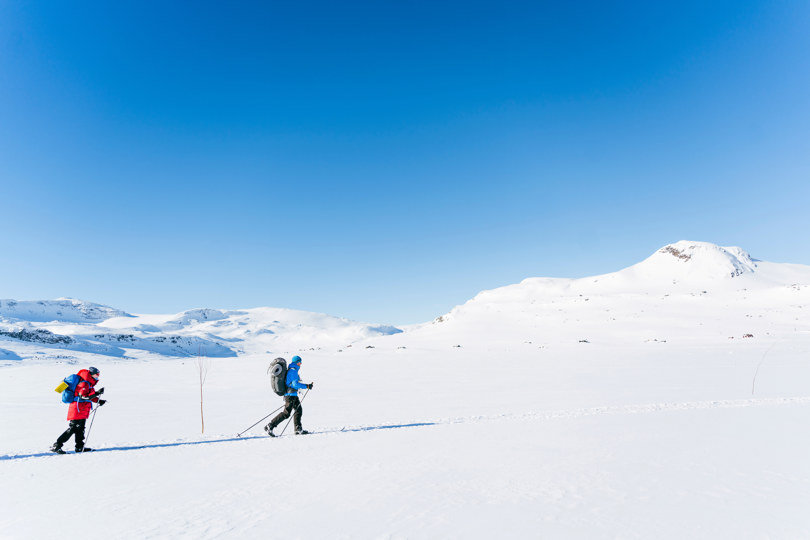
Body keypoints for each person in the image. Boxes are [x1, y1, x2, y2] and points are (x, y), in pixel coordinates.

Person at [51, 366, 106, 453]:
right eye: (96, 375)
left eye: (98, 375)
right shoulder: (84, 384)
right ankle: (57, 445)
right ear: (91, 374)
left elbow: (89, 396)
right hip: (77, 409)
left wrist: (99, 401)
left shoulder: (88, 383)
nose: (97, 377)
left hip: (83, 409)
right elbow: (83, 397)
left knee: (80, 429)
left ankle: (80, 447)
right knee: (73, 428)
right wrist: (97, 393)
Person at [264, 355, 313, 436]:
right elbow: (295, 384)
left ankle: (298, 429)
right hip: (290, 396)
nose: (301, 363)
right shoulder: (293, 371)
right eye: (300, 362)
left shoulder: (292, 370)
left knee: (298, 410)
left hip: (292, 395)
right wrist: (307, 386)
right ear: (296, 362)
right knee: (286, 413)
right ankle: (270, 425)